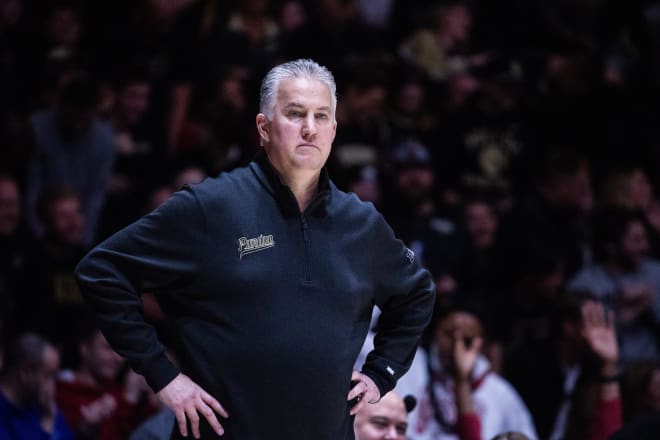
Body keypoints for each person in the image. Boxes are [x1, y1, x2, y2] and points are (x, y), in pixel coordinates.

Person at [74, 58, 435, 439]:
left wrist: (383, 373)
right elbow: (101, 272)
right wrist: (164, 376)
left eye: (321, 116)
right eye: (295, 114)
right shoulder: (210, 207)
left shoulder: (361, 223)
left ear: (333, 129)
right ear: (263, 127)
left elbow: (416, 294)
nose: (309, 129)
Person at [398, 304, 537, 440]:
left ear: (482, 344)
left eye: (467, 339)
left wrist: (461, 379)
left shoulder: (499, 392)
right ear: (436, 333)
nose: (456, 346)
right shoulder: (412, 370)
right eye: (449, 335)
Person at [0, 332, 74, 440]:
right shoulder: (4, 415)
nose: (53, 383)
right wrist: (47, 425)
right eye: (48, 375)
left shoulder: (44, 405)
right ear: (25, 372)